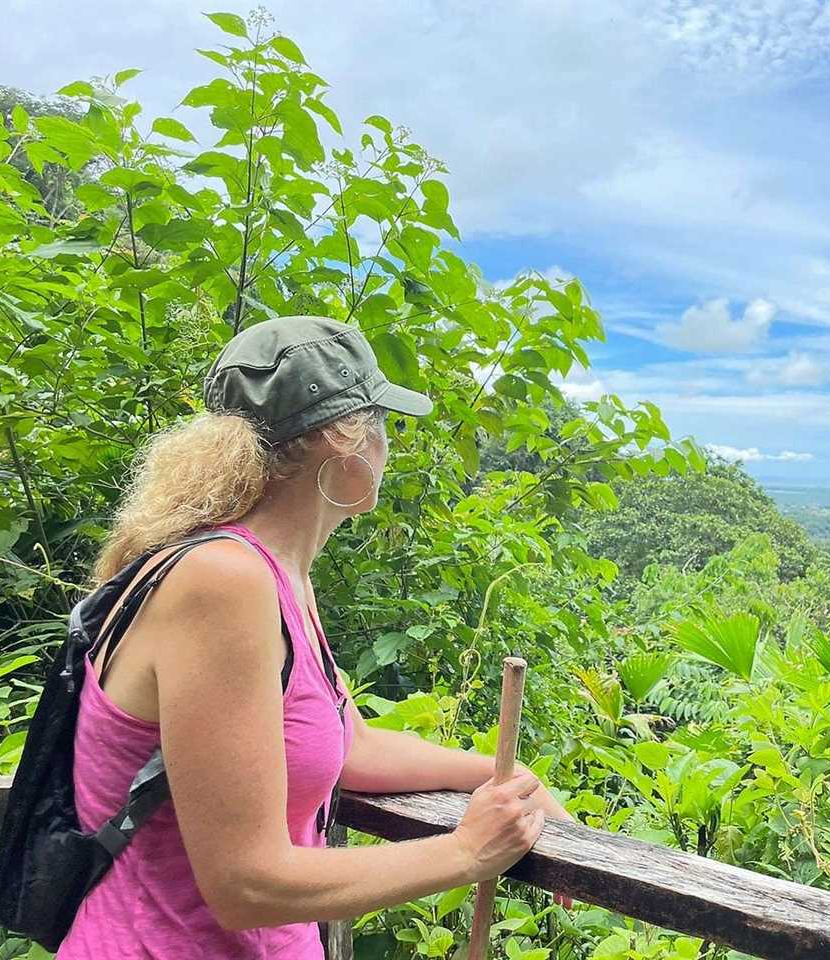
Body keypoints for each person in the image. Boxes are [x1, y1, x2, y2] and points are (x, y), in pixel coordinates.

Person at [57, 315, 573, 959]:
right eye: (383, 425)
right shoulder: (224, 582)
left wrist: (505, 776)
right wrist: (467, 851)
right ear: (342, 441)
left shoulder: (278, 576)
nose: (392, 446)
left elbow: (347, 746)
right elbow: (244, 884)